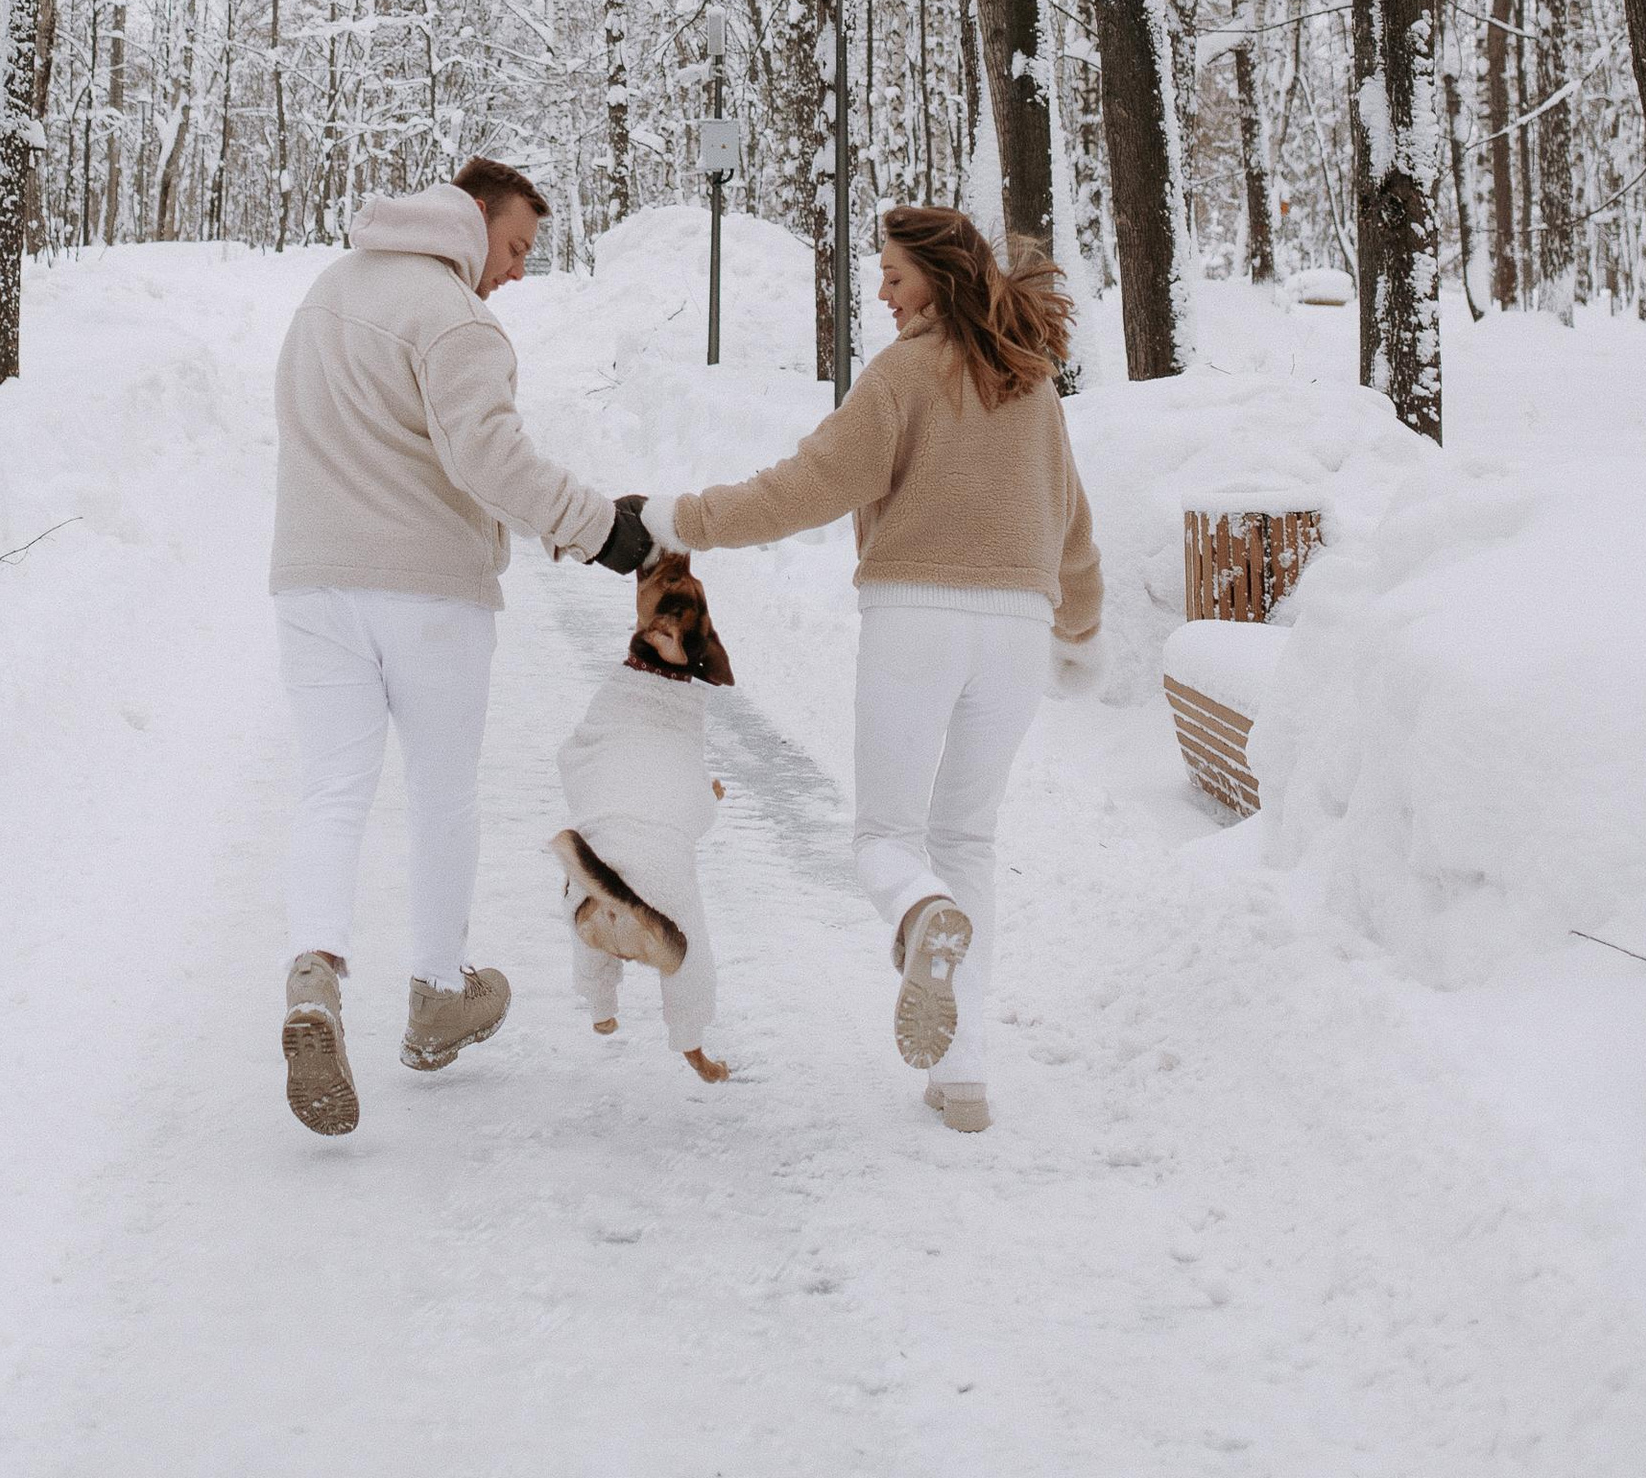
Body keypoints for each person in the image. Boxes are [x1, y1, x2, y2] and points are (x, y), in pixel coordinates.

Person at [637, 206, 1100, 1134]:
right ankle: (961, 1077)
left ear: (940, 275)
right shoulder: (1031, 384)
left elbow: (803, 487)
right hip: (1016, 631)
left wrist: (678, 519)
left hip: (916, 618)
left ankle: (918, 909)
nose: (882, 295)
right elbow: (1075, 528)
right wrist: (1081, 636)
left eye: (894, 277)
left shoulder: (902, 374)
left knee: (888, 838)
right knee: (968, 838)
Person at [271, 155, 656, 1137]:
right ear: (473, 221)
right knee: (441, 790)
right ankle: (438, 993)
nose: (518, 271)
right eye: (517, 246)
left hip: (314, 582)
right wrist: (596, 528)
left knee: (331, 787)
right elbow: (488, 458)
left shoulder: (326, 292)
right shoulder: (455, 319)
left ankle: (314, 971)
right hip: (428, 591)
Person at [550, 556, 735, 1084]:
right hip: (660, 905)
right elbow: (688, 807)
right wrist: (706, 794)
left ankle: (600, 1008)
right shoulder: (684, 717)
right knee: (688, 948)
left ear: (661, 632)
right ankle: (694, 1048)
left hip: (592, 887)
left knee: (598, 871)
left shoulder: (616, 698)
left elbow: (576, 759)